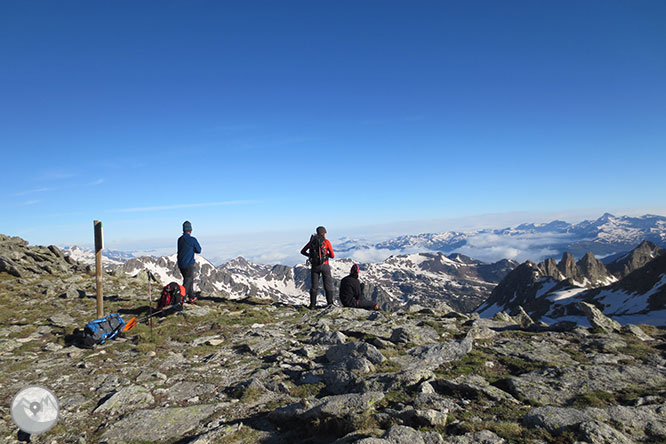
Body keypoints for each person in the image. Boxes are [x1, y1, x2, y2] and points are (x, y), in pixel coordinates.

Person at [301, 226, 335, 309]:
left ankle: (312, 305)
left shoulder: (312, 242)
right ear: (324, 233)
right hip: (325, 265)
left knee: (314, 286)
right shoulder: (326, 242)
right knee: (328, 284)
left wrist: (311, 256)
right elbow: (333, 255)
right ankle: (330, 304)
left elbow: (302, 251)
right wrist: (326, 255)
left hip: (315, 266)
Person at [177, 220, 202, 304]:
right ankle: (181, 298)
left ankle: (191, 297)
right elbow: (198, 250)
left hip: (180, 264)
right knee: (188, 280)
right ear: (190, 230)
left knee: (188, 279)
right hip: (189, 263)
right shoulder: (192, 240)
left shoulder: (180, 239)